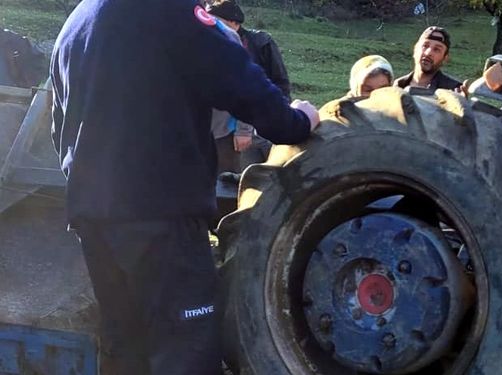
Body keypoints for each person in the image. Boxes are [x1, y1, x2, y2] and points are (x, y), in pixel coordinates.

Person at [49, 0, 319, 374]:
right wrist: (296, 120)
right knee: (185, 350)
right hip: (161, 218)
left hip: (93, 218)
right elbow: (237, 78)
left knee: (125, 347)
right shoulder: (170, 12)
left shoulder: (76, 21)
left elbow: (58, 123)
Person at [207, 0, 291, 170]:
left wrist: (246, 129)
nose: (212, 26)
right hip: (218, 129)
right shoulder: (210, 43)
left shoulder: (260, 43)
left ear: (234, 23)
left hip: (253, 124)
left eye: (217, 22)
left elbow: (278, 82)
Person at [394, 26, 463, 94]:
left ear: (445, 58)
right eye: (425, 46)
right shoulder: (398, 86)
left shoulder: (453, 90)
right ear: (415, 49)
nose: (428, 53)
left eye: (436, 49)